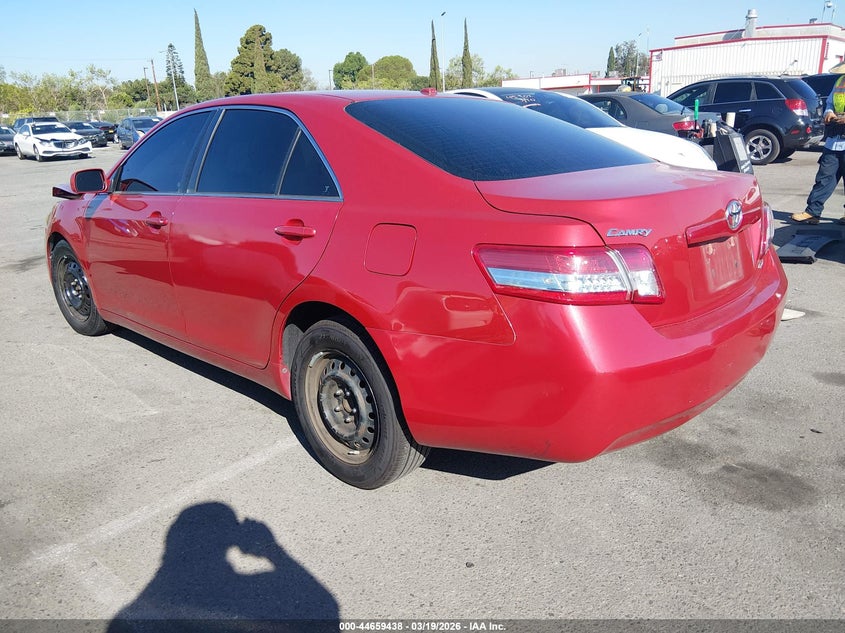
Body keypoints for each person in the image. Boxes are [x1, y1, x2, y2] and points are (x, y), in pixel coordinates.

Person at [792, 74, 845, 225]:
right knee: (824, 177)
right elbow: (830, 103)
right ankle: (812, 212)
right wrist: (829, 112)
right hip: (834, 139)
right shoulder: (840, 81)